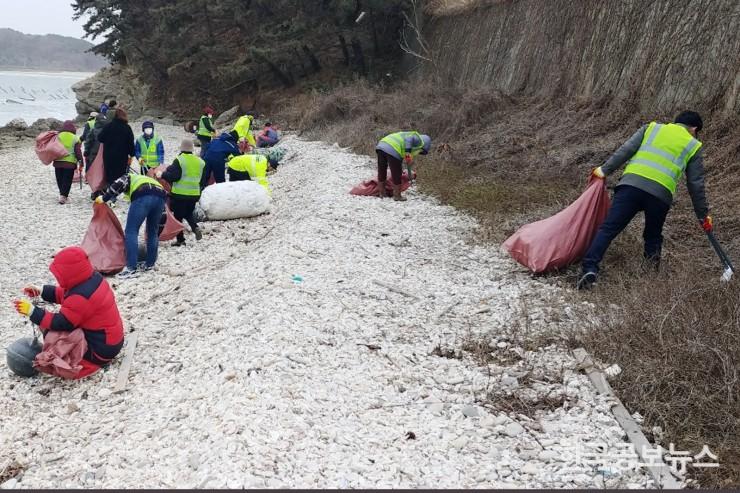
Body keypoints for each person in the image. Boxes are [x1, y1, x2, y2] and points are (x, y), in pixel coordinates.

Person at [577, 111, 711, 290]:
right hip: (659, 196)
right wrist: (703, 216)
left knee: (609, 228)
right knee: (653, 236)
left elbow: (625, 150)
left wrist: (604, 170)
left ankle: (589, 269)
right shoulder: (693, 145)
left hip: (630, 186)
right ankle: (649, 284)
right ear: (694, 129)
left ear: (676, 122)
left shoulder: (652, 128)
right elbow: (696, 184)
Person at [12, 246, 124, 377]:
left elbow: (62, 323)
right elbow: (66, 295)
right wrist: (41, 290)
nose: (57, 278)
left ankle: (79, 362)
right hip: (112, 342)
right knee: (50, 322)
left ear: (69, 272)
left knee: (53, 332)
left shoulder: (80, 297)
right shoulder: (93, 279)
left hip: (100, 352)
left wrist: (32, 312)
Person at [96, 171, 166, 277]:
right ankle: (150, 264)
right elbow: (163, 216)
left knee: (131, 231)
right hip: (161, 195)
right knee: (153, 232)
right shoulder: (151, 181)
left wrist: (104, 198)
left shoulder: (130, 177)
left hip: (143, 194)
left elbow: (118, 184)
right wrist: (159, 231)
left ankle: (131, 268)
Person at [157, 139, 205, 246]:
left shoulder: (179, 160)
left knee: (178, 217)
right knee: (188, 213)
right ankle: (195, 227)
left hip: (180, 194)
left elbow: (174, 177)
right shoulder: (200, 162)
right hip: (194, 194)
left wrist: (162, 175)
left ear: (181, 149)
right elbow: (203, 179)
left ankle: (181, 240)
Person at [375, 131, 432, 201]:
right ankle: (397, 196)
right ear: (424, 145)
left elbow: (404, 148)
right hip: (393, 147)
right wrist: (408, 153)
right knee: (397, 173)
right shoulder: (419, 140)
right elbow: (409, 139)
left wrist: (407, 157)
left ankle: (382, 193)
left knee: (382, 169)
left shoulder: (406, 135)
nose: (420, 153)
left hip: (381, 145)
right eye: (421, 151)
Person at [98, 108, 135, 198]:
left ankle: (110, 194)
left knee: (109, 175)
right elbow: (131, 143)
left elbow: (100, 138)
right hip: (121, 157)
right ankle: (115, 194)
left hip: (108, 156)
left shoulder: (108, 126)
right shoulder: (127, 128)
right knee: (119, 176)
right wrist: (132, 154)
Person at [53, 120, 83, 204]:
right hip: (69, 163)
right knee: (67, 180)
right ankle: (63, 196)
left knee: (60, 179)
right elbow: (78, 151)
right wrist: (81, 161)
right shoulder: (75, 138)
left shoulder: (58, 136)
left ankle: (62, 194)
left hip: (58, 161)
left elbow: (52, 148)